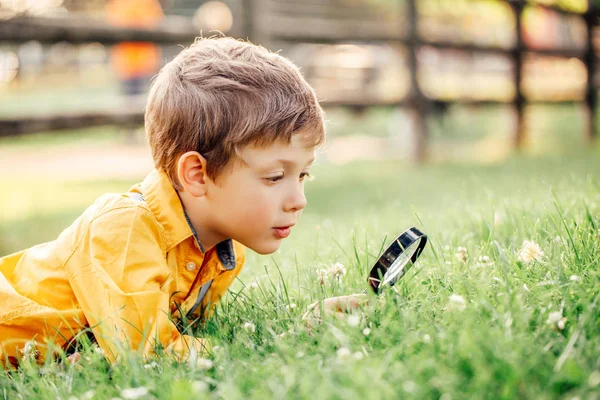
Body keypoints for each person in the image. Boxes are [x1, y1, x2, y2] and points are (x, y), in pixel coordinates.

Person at [0, 37, 365, 369]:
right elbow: (149, 352)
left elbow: (176, 342)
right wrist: (276, 346)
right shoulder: (124, 228)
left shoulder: (226, 251)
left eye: (302, 175)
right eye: (274, 177)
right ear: (196, 174)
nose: (298, 200)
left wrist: (299, 332)